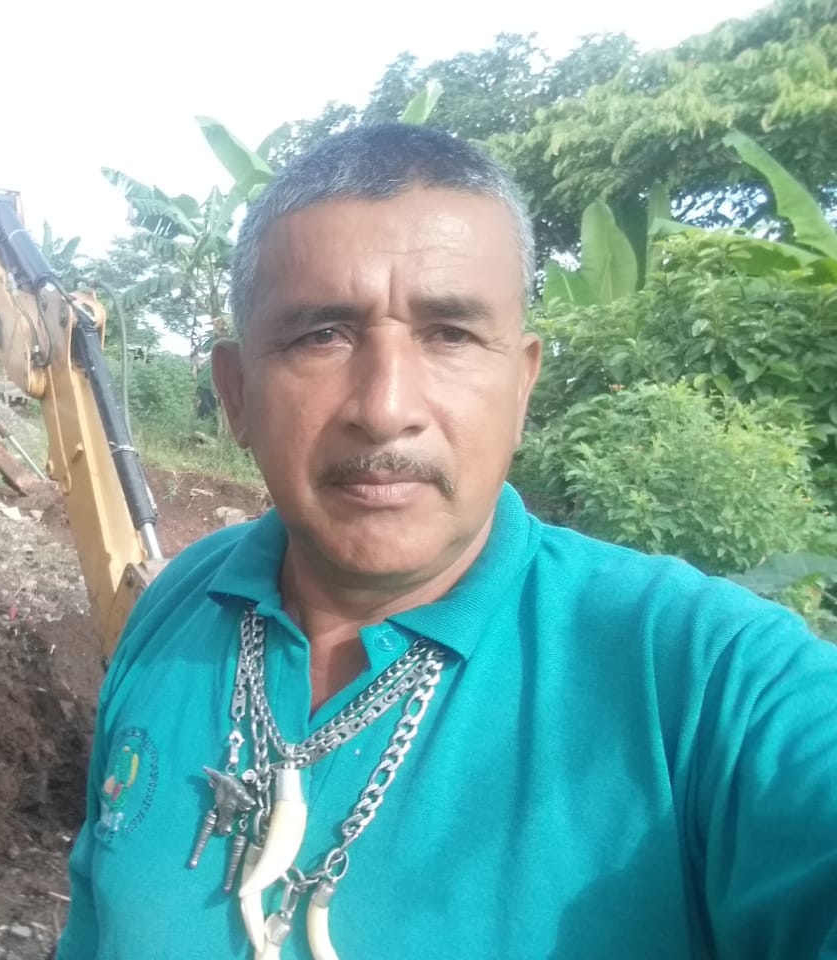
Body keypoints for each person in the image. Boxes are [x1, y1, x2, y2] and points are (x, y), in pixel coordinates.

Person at [53, 123, 837, 959]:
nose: (385, 408)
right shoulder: (180, 603)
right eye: (323, 335)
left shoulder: (705, 678)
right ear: (237, 393)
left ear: (522, 386)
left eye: (451, 334)